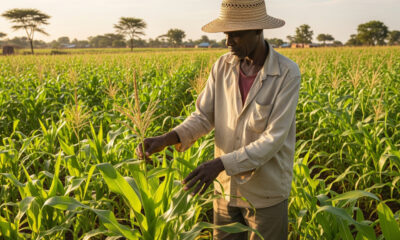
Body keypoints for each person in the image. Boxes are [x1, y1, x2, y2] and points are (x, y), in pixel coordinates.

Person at [136, 0, 301, 239]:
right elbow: (204, 116)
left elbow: (273, 139)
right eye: (226, 35)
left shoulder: (286, 73)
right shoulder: (222, 66)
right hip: (225, 191)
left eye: (236, 35)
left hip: (265, 194)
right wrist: (167, 138)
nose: (227, 42)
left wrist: (220, 163)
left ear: (257, 30)